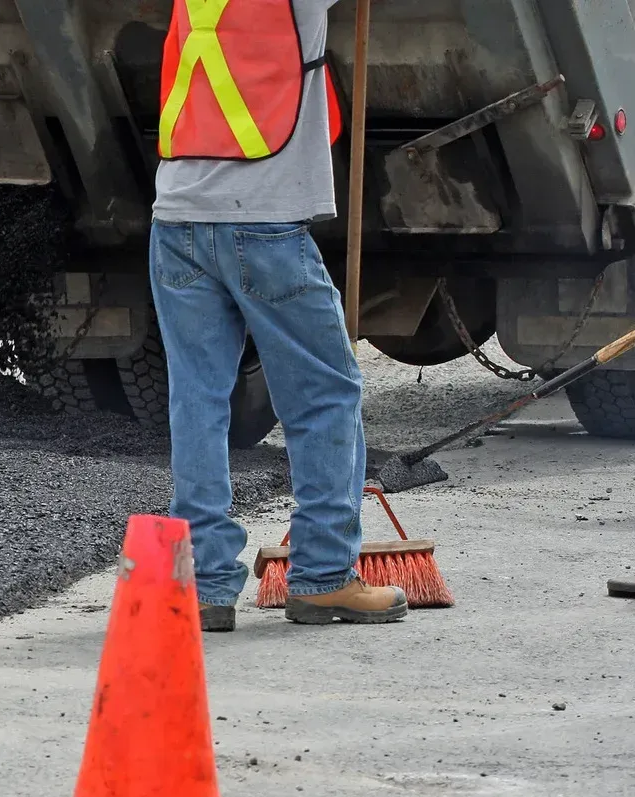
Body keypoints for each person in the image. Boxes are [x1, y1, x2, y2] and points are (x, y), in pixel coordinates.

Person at [150, 0, 407, 630]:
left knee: (198, 402)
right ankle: (322, 578)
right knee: (324, 395)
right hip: (262, 224)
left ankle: (206, 587)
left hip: (176, 218)